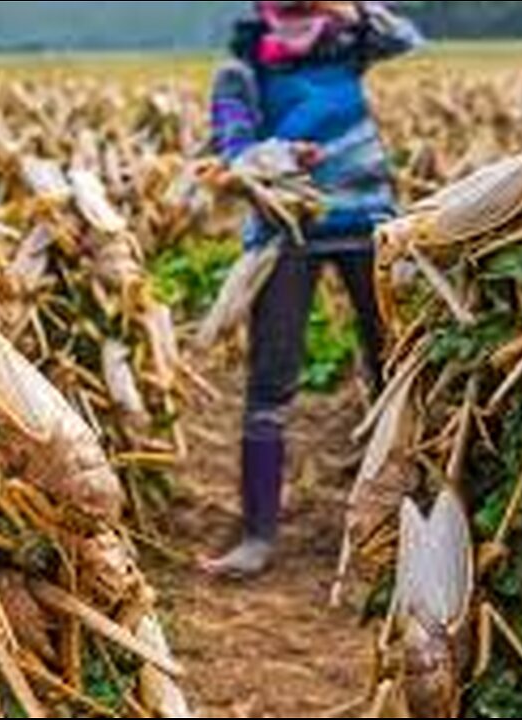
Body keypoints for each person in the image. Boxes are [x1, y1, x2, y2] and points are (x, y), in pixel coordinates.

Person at [201, 0, 423, 578]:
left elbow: (406, 38)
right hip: (288, 233)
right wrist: (279, 158)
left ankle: (402, 515)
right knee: (270, 381)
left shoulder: (347, 45)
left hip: (370, 226)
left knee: (394, 369)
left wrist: (343, 7)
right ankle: (257, 537)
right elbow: (232, 154)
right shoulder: (242, 70)